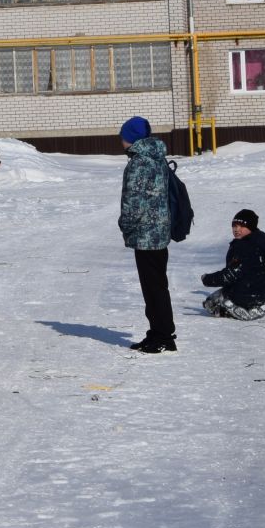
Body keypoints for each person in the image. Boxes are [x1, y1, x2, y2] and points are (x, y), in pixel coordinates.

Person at [117, 115, 176, 353]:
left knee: (153, 287)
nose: (120, 140)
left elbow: (134, 203)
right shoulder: (156, 158)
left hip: (145, 234)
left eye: (123, 136)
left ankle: (162, 336)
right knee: (158, 285)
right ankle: (160, 332)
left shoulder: (139, 162)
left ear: (131, 138)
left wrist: (126, 225)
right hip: (159, 232)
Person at [199, 209, 265, 320]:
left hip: (240, 295)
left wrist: (208, 279)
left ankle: (229, 310)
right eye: (234, 226)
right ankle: (255, 308)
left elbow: (230, 274)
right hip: (261, 295)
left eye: (241, 226)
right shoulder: (261, 242)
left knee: (210, 302)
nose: (236, 229)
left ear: (251, 227)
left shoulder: (243, 247)